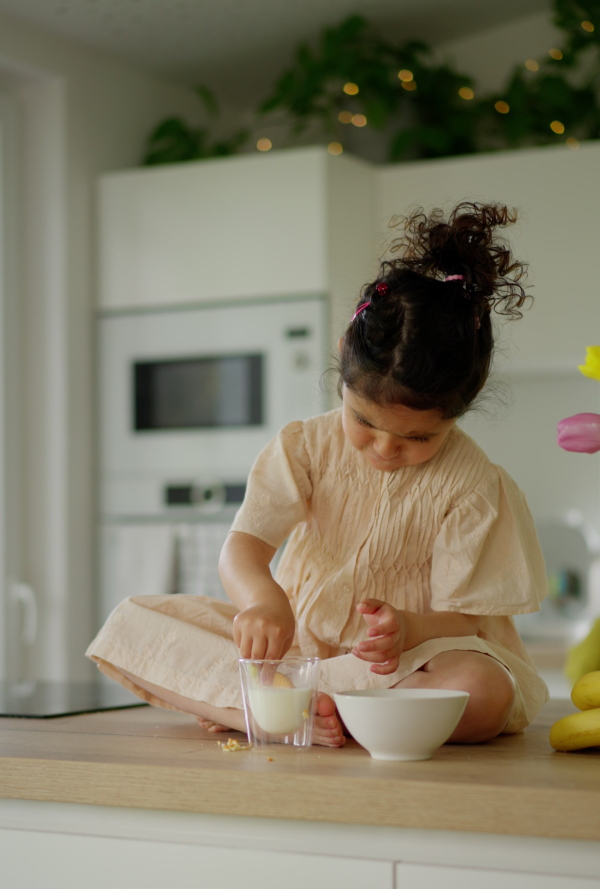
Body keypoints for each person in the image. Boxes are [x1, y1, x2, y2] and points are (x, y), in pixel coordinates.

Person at [87, 201, 549, 747]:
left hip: (399, 667)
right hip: (301, 654)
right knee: (130, 622)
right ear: (341, 365)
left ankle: (264, 709)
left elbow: (464, 621)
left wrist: (408, 628)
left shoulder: (472, 485)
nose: (384, 449)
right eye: (364, 421)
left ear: (460, 409)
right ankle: (291, 707)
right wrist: (263, 602)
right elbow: (244, 548)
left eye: (419, 438)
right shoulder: (304, 447)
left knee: (481, 689)